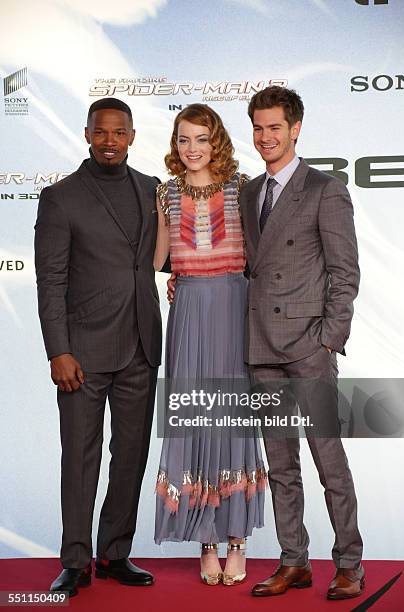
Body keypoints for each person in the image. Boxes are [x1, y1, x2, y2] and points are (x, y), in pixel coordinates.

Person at [239, 86, 364, 601]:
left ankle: (350, 563)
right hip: (262, 347)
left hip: (308, 347)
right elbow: (250, 265)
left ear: (295, 129)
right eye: (258, 127)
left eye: (275, 127)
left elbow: (344, 272)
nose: (265, 137)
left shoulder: (324, 189)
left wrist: (328, 341)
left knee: (327, 460)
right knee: (280, 464)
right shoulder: (249, 193)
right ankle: (294, 561)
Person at [34, 98, 162, 597]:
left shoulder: (152, 190)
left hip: (140, 346)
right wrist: (57, 350)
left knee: (129, 456)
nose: (110, 140)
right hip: (81, 353)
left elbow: (162, 257)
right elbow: (51, 281)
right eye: (101, 132)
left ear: (131, 136)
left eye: (120, 132)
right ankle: (75, 560)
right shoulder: (61, 197)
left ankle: (114, 554)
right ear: (87, 134)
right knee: (80, 459)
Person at [154, 104, 266, 586]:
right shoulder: (165, 192)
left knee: (233, 421)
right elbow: (157, 259)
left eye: (201, 138)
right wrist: (165, 281)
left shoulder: (242, 188)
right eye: (184, 139)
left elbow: (261, 253)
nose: (192, 148)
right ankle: (206, 541)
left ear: (216, 140)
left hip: (233, 307)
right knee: (196, 420)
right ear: (175, 144)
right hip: (189, 314)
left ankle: (237, 539)